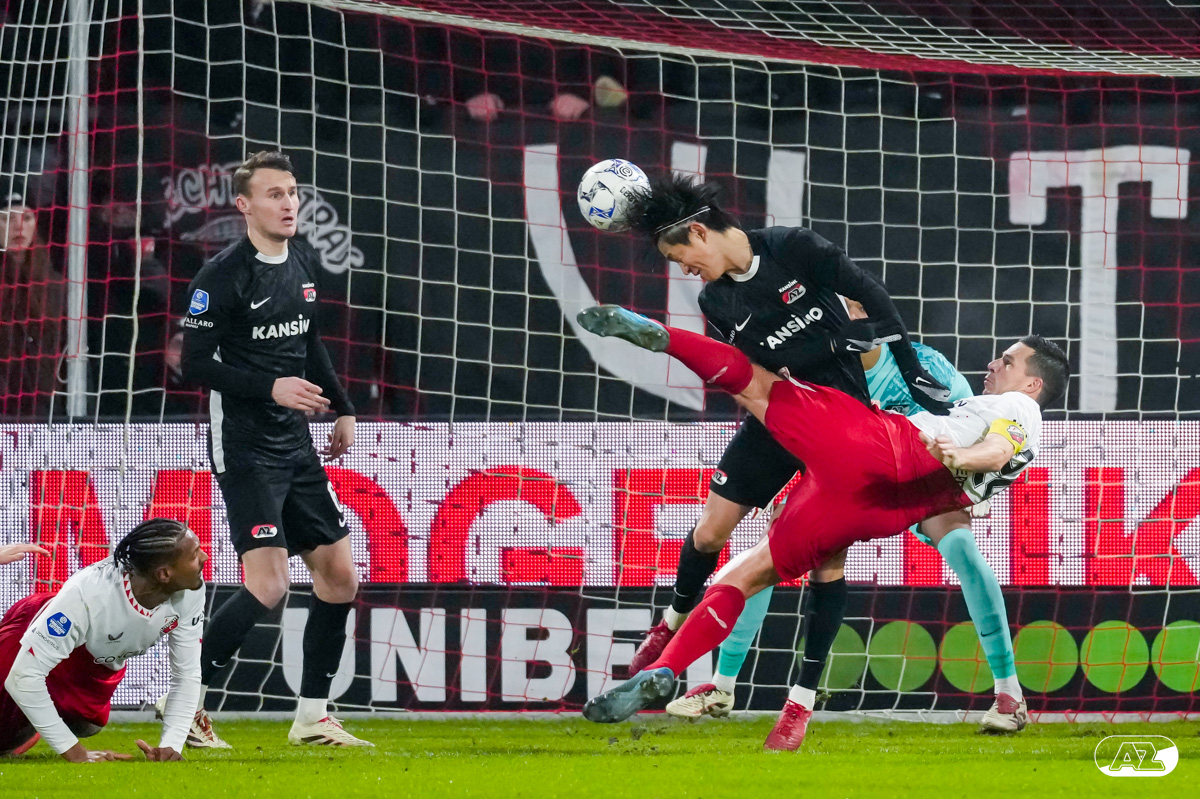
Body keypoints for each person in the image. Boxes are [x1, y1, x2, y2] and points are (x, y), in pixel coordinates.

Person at [575, 305, 1068, 748]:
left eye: (1008, 361)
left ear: (1033, 385)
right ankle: (681, 675)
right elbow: (996, 456)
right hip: (882, 507)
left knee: (757, 385)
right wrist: (965, 463)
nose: (993, 364)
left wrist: (963, 455)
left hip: (882, 451)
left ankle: (661, 336)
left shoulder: (1011, 402)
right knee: (750, 572)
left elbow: (997, 448)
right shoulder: (978, 405)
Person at [617, 174, 952, 705]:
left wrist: (910, 370)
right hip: (779, 417)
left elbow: (872, 295)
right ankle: (670, 623)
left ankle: (801, 700)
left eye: (680, 257)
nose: (683, 270)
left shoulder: (793, 248)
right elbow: (757, 369)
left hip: (842, 426)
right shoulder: (716, 301)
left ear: (699, 233)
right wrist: (825, 353)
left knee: (827, 561)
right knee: (711, 532)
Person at [170, 150, 368, 748]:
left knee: (340, 578)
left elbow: (309, 342)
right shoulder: (222, 276)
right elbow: (194, 363)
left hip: (296, 444)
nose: (288, 203)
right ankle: (185, 705)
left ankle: (312, 717)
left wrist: (343, 406)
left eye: (292, 192)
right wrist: (272, 387)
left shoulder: (300, 262)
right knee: (270, 584)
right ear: (244, 205)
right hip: (245, 446)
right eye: (274, 194)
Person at [0, 519, 205, 762]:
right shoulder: (87, 595)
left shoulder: (190, 590)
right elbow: (23, 677)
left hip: (91, 662)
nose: (204, 557)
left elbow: (187, 673)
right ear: (164, 574)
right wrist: (76, 753)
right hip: (29, 635)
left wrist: (171, 745)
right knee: (5, 735)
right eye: (195, 555)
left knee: (88, 722)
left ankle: (36, 717)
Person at [0, 197, 66, 420]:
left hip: (42, 404)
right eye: (8, 218)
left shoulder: (54, 284)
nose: (19, 227)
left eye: (27, 218)